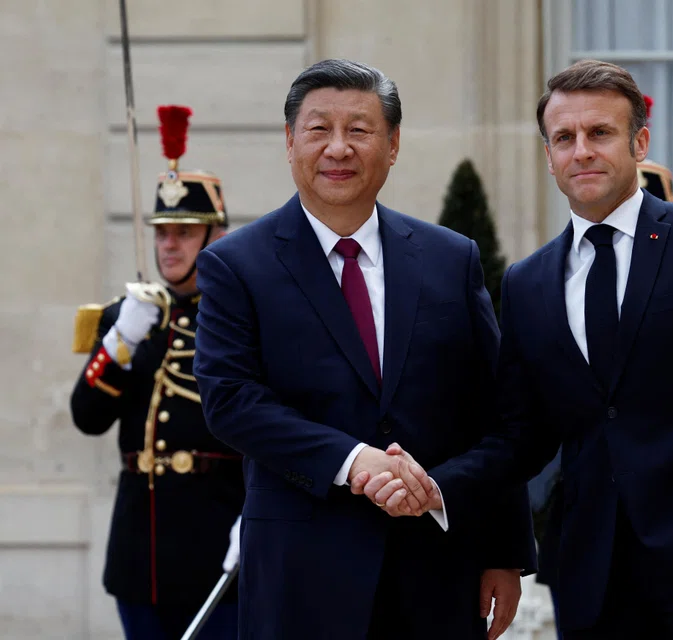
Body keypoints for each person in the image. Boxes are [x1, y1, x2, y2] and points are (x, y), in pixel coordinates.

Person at [371, 59, 673, 639]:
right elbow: (520, 436)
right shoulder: (528, 283)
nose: (581, 151)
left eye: (599, 133)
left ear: (639, 141)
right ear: (550, 155)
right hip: (593, 573)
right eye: (564, 138)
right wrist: (438, 483)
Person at [191, 58, 536, 640]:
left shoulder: (451, 259)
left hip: (435, 572)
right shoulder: (235, 265)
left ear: (393, 144)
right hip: (301, 576)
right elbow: (231, 400)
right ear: (290, 141)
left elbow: (493, 414)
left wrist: (504, 550)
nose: (338, 148)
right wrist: (355, 463)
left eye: (359, 129)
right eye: (319, 129)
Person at [70, 105, 243, 639]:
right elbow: (87, 416)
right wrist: (120, 342)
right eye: (162, 232)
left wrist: (258, 516)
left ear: (216, 235)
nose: (169, 244)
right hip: (139, 555)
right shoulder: (130, 316)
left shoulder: (243, 315)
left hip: (217, 544)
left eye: (185, 232)